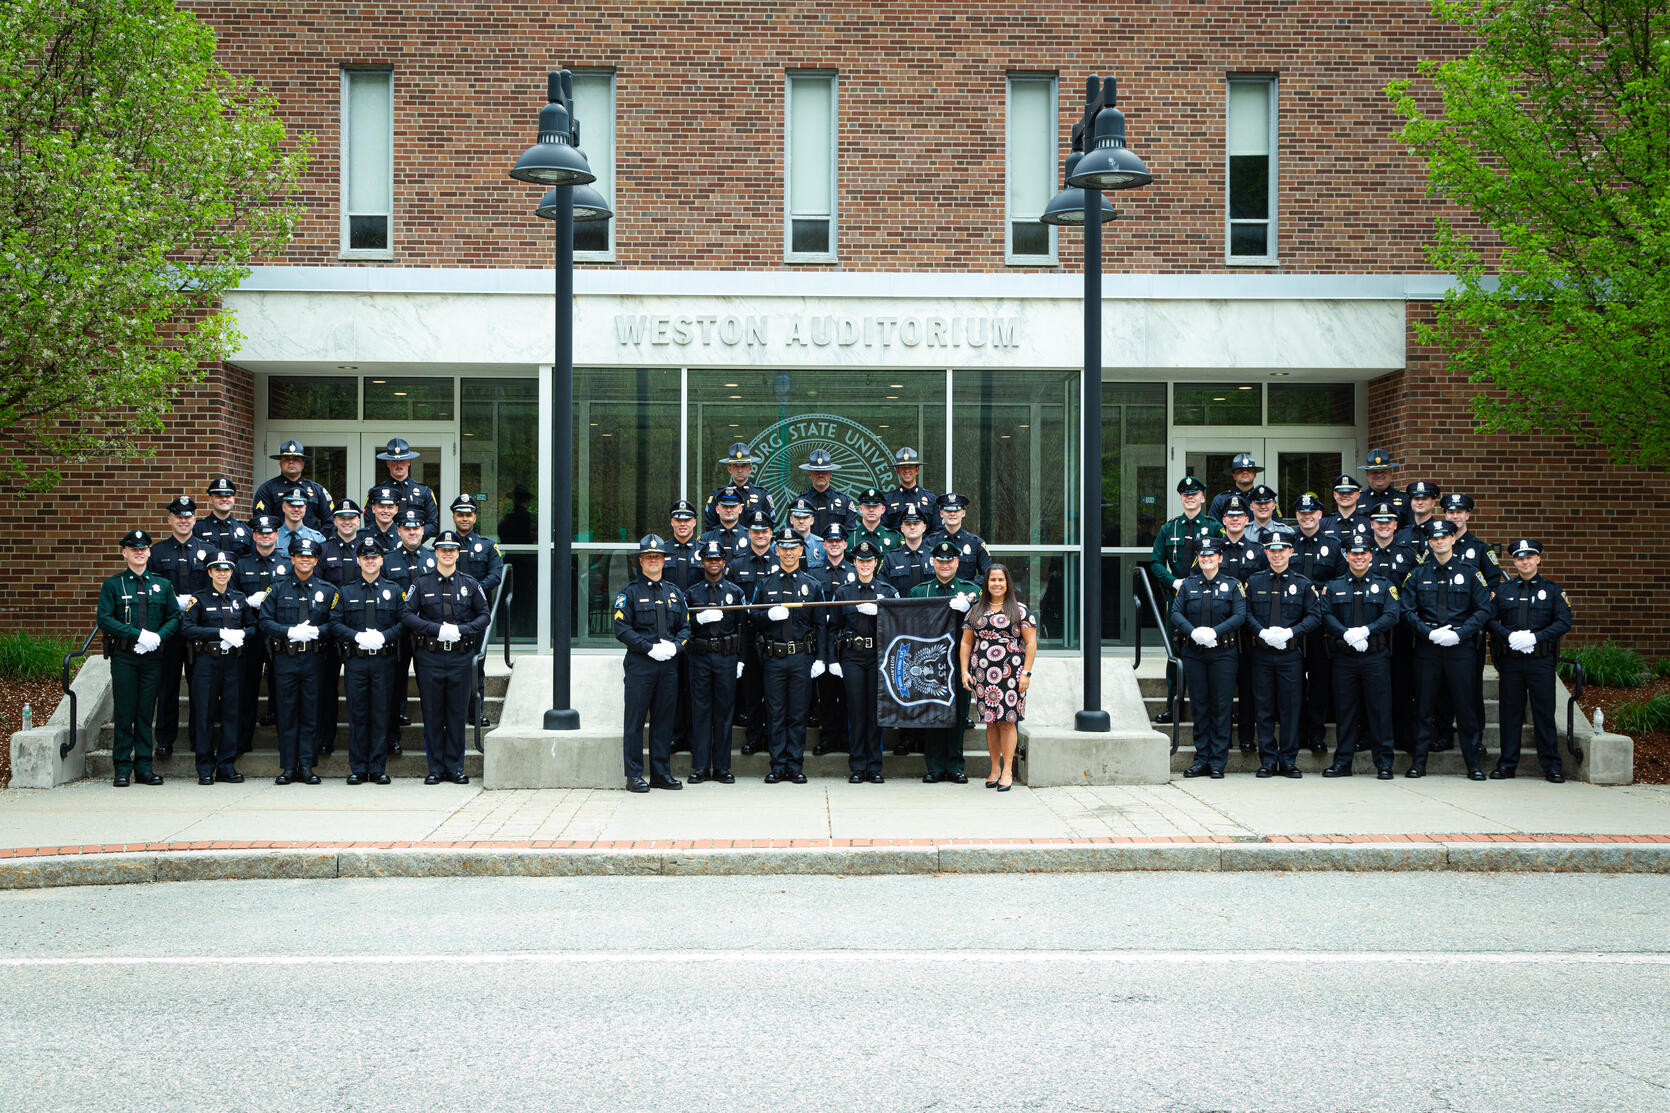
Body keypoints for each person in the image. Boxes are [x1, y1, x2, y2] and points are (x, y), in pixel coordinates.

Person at [1402, 519, 1493, 779]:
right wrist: (1428, 632)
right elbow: (1407, 610)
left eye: (1445, 537)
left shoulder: (1470, 572)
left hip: (1460, 648)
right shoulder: (1418, 574)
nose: (1440, 541)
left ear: (1453, 539)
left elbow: (1484, 608)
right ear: (1429, 542)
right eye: (1435, 538)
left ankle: (1473, 764)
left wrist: (1461, 633)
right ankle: (1418, 763)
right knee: (1423, 707)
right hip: (1427, 648)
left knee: (1465, 707)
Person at [401, 530, 491, 785]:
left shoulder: (470, 584)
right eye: (443, 550)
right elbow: (407, 615)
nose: (448, 553)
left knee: (456, 712)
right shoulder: (420, 583)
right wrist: (435, 629)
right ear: (436, 552)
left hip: (461, 656)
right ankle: (435, 769)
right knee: (432, 712)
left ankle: (455, 767)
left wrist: (462, 630)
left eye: (452, 550)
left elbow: (484, 616)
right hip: (430, 656)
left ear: (457, 554)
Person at [96, 530, 181, 786]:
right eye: (134, 549)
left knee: (145, 712)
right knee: (125, 712)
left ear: (149, 552)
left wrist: (158, 637)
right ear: (124, 553)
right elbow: (105, 619)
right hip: (125, 656)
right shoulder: (113, 585)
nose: (139, 552)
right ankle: (122, 768)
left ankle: (144, 767)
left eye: (143, 548)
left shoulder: (162, 584)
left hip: (153, 657)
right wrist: (137, 635)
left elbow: (174, 616)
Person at [1488, 539, 1574, 782]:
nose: (1524, 561)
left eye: (1529, 557)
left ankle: (1551, 766)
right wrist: (1509, 635)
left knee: (1544, 713)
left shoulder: (1554, 590)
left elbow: (1563, 621)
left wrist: (1536, 637)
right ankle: (1507, 764)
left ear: (1538, 559)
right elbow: (1490, 620)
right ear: (1514, 561)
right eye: (1519, 558)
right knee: (1510, 713)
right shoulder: (1503, 591)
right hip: (1511, 662)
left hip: (1540, 661)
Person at [1320, 535, 1402, 779]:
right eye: (1353, 554)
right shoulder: (1333, 586)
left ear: (1370, 556)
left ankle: (1384, 763)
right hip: (1344, 658)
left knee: (1379, 711)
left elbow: (1392, 615)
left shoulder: (1385, 585)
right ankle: (1343, 763)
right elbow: (1326, 614)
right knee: (1345, 711)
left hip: (1375, 657)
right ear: (1346, 556)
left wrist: (1367, 630)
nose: (1358, 557)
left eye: (1363, 553)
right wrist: (1346, 634)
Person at [611, 534, 688, 792]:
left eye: (658, 557)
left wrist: (675, 648)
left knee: (664, 722)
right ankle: (633, 775)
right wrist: (649, 648)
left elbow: (686, 628)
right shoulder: (629, 592)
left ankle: (660, 773)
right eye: (648, 557)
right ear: (641, 561)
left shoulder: (675, 594)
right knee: (634, 722)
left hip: (668, 666)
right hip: (640, 665)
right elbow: (621, 628)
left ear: (664, 561)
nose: (653, 561)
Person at [257, 536, 336, 785]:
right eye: (300, 556)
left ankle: (307, 767)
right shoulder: (277, 588)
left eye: (310, 557)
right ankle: (289, 767)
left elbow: (336, 622)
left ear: (316, 560)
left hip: (314, 658)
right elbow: (264, 621)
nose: (305, 560)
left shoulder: (327, 590)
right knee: (287, 712)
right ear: (292, 558)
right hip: (285, 658)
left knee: (311, 713)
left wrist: (318, 632)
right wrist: (288, 631)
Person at [748, 528, 825, 784]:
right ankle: (777, 765)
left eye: (794, 548)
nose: (789, 552)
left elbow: (821, 625)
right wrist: (766, 615)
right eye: (784, 547)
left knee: (798, 713)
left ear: (801, 550)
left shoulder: (812, 585)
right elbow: (752, 619)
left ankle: (795, 765)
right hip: (774, 657)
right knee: (775, 712)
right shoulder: (765, 584)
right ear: (776, 550)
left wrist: (821, 658)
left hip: (802, 657)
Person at [1241, 536, 1321, 778]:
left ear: (1290, 552)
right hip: (1262, 655)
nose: (1277, 555)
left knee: (1290, 709)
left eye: (1282, 550)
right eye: (1272, 551)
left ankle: (1288, 760)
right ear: (1266, 553)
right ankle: (1267, 760)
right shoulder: (1254, 582)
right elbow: (1246, 613)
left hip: (1290, 656)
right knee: (1263, 709)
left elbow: (1315, 616)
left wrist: (1291, 631)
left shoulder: (1304, 583)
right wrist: (1261, 631)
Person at [329, 537, 405, 785]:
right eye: (366, 557)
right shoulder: (346, 591)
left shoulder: (394, 590)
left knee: (381, 714)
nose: (370, 561)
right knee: (358, 714)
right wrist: (356, 636)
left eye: (374, 557)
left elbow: (404, 622)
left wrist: (384, 636)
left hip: (384, 661)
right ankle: (358, 768)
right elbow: (334, 623)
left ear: (381, 560)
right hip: (356, 662)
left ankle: (378, 767)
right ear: (358, 560)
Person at [1169, 536, 1245, 779]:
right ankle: (1201, 758)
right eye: (1203, 556)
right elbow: (1176, 613)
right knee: (1200, 705)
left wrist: (1215, 632)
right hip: (1194, 653)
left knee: (1221, 706)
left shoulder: (1233, 585)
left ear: (1220, 558)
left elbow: (1240, 615)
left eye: (1211, 556)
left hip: (1223, 653)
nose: (1207, 559)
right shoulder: (1188, 585)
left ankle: (1217, 761)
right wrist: (1193, 632)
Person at [1149, 476, 1223, 724]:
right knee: (1175, 652)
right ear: (1181, 499)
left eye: (1194, 494)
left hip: (1207, 599)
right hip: (1179, 598)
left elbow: (1221, 558)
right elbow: (1156, 562)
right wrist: (1172, 581)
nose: (1190, 498)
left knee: (1210, 652)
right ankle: (1173, 705)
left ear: (1203, 498)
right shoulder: (1169, 529)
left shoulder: (1214, 527)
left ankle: (1214, 707)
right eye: (1185, 495)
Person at [959, 563, 1036, 792]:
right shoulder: (976, 611)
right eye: (992, 580)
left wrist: (1027, 673)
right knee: (991, 723)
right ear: (986, 583)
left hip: (1011, 673)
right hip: (983, 674)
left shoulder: (1020, 610)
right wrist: (964, 671)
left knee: (1007, 721)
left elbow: (1030, 643)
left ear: (1007, 583)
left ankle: (1008, 770)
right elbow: (966, 642)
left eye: (1001, 580)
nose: (997, 584)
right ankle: (994, 768)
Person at [909, 541, 981, 784]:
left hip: (959, 662)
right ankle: (935, 766)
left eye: (950, 560)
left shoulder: (970, 590)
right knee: (933, 712)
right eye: (940, 560)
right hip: (928, 663)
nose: (945, 565)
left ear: (957, 563)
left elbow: (983, 618)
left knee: (959, 713)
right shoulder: (920, 591)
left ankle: (955, 766)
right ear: (933, 563)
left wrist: (969, 606)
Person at [180, 551, 252, 785]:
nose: (222, 574)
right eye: (217, 570)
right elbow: (187, 628)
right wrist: (217, 633)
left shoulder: (240, 598)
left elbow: (254, 626)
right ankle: (204, 767)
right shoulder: (198, 599)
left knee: (232, 713)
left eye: (226, 570)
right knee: (204, 714)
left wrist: (241, 633)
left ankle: (226, 766)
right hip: (207, 663)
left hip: (233, 662)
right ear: (210, 572)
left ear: (232, 572)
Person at [830, 541, 899, 784]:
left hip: (878, 657)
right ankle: (858, 766)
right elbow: (833, 628)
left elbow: (896, 627)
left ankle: (875, 766)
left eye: (869, 561)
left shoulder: (887, 592)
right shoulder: (844, 593)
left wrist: (880, 612)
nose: (865, 564)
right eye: (861, 560)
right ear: (855, 563)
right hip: (852, 657)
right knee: (857, 711)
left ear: (876, 563)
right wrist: (833, 659)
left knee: (875, 712)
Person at [148, 495, 211, 759]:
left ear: (195, 519)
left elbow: (215, 586)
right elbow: (150, 589)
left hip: (198, 628)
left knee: (201, 688)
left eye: (188, 516)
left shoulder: (209, 550)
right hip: (170, 629)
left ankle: (200, 740)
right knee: (168, 687)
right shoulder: (157, 552)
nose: (183, 521)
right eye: (178, 516)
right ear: (170, 520)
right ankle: (164, 740)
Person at [684, 539, 745, 785]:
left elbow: (744, 629)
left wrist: (741, 660)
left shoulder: (735, 592)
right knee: (700, 713)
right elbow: (682, 626)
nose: (713, 563)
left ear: (723, 562)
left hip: (726, 658)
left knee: (723, 713)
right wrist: (698, 620)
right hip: (699, 657)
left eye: (717, 559)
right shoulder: (692, 593)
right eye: (709, 559)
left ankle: (721, 767)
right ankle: (700, 767)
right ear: (702, 562)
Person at [1365, 502, 1421, 754]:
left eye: (1389, 521)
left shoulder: (1409, 554)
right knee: (1369, 685)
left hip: (1400, 631)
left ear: (1396, 525)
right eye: (1379, 521)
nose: (1384, 525)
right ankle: (1367, 734)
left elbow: (1415, 590)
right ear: (1371, 524)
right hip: (1370, 629)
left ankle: (1402, 734)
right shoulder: (1363, 553)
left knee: (1401, 683)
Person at [1290, 492, 1342, 752]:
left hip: (1321, 627)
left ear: (1320, 515)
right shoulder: (1288, 543)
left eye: (1311, 513)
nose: (1306, 516)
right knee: (1295, 681)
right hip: (1294, 625)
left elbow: (1340, 580)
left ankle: (1316, 735)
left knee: (1320, 682)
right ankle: (1298, 733)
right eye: (1302, 513)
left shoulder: (1333, 545)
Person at [234, 516, 290, 745]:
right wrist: (247, 601)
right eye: (260, 533)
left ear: (277, 535)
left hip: (278, 631)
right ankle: (244, 739)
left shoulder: (287, 563)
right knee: (247, 685)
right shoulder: (241, 564)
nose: (265, 536)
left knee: (282, 684)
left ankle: (281, 739)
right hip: (250, 632)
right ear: (254, 536)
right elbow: (233, 597)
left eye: (269, 533)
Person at [452, 493, 507, 728]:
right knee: (452, 664)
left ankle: (475, 712)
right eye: (460, 514)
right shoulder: (444, 545)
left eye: (469, 514)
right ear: (454, 516)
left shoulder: (487, 546)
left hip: (476, 613)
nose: (464, 518)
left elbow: (496, 574)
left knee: (477, 663)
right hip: (448, 612)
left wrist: (473, 591)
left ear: (475, 517)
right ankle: (453, 712)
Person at [727, 510, 779, 756]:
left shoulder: (781, 561)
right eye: (756, 531)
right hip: (747, 637)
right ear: (749, 534)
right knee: (752, 690)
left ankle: (772, 738)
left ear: (771, 534)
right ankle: (754, 736)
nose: (760, 535)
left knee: (774, 691)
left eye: (764, 531)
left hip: (775, 635)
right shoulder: (736, 564)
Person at [807, 523, 856, 757]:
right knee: (825, 693)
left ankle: (846, 739)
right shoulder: (814, 573)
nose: (834, 544)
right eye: (830, 541)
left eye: (839, 541)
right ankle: (827, 738)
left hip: (848, 640)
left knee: (848, 693)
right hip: (823, 639)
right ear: (823, 544)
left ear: (845, 544)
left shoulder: (855, 571)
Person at [252, 439, 332, 531]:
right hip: (278, 544)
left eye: (295, 459)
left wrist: (318, 541)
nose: (291, 462)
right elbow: (260, 520)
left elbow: (330, 521)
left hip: (310, 543)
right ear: (280, 463)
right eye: (287, 459)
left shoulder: (317, 490)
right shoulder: (267, 489)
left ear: (303, 464)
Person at [373, 437, 440, 540]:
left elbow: (433, 525)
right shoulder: (376, 492)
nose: (398, 465)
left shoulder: (424, 491)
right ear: (388, 463)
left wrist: (412, 537)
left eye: (402, 461)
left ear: (409, 461)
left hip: (414, 548)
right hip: (385, 549)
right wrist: (392, 538)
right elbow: (370, 523)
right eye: (394, 461)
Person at [703, 442, 775, 529]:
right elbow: (710, 527)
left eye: (743, 466)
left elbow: (770, 526)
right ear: (729, 469)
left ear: (750, 469)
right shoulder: (718, 495)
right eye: (736, 466)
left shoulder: (762, 495)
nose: (740, 470)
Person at [929, 492, 993, 584]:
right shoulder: (930, 542)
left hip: (966, 596)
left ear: (963, 513)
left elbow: (987, 575)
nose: (952, 514)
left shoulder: (976, 543)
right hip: (937, 595)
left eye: (956, 511)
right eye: (948, 511)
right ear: (941, 513)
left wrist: (968, 588)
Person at [797, 449, 855, 535]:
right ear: (810, 474)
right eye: (816, 472)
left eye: (824, 472)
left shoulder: (845, 502)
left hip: (835, 547)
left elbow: (850, 535)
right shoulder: (800, 503)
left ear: (830, 473)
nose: (820, 475)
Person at [194, 477, 253, 558]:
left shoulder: (246, 529)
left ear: (234, 499)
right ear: (210, 499)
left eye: (228, 496)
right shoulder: (198, 528)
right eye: (219, 496)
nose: (224, 499)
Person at [882, 446, 938, 530]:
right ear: (897, 471)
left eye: (910, 467)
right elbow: (883, 531)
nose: (907, 470)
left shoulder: (931, 499)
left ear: (917, 470)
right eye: (903, 467)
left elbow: (937, 531)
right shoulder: (887, 500)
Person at [881, 507, 935, 594]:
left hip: (930, 607)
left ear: (924, 527)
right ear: (902, 528)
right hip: (900, 607)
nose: (912, 527)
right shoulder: (891, 558)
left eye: (916, 523)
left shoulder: (935, 555)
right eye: (908, 524)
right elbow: (883, 589)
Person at [1361, 449, 1411, 526]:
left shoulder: (1405, 499)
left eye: (1383, 471)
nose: (1379, 475)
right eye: (1374, 472)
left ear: (1391, 473)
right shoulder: (1358, 499)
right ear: (1367, 475)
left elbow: (1410, 528)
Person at [1209, 453, 1264, 521]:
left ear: (1255, 474)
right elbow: (1214, 528)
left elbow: (1276, 525)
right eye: (1240, 470)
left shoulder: (1265, 499)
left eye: (1249, 470)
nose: (1245, 473)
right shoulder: (1221, 500)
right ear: (1234, 475)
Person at [275, 487, 326, 555]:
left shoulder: (317, 539)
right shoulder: (272, 537)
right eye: (292, 505)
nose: (296, 509)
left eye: (300, 506)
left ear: (305, 508)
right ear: (283, 507)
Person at [850, 487, 902, 554]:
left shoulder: (894, 538)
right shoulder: (850, 537)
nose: (871, 509)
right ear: (860, 509)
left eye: (875, 506)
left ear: (883, 509)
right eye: (867, 506)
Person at [699, 486, 750, 554]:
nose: (728, 510)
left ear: (740, 509)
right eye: (724, 506)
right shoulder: (705, 539)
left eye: (733, 506)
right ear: (717, 509)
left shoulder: (750, 537)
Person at [1395, 481, 1441, 545]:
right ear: (1411, 502)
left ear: (1433, 502)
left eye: (1424, 499)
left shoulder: (1441, 534)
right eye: (1416, 499)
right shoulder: (1401, 535)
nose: (1420, 502)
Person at [783, 499, 827, 564]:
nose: (801, 521)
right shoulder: (780, 545)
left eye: (805, 517)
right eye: (797, 517)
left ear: (812, 520)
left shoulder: (822, 545)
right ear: (791, 519)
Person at [363, 486, 402, 552]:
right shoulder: (361, 536)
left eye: (390, 507)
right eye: (381, 507)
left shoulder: (403, 536)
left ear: (396, 509)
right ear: (373, 509)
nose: (386, 511)